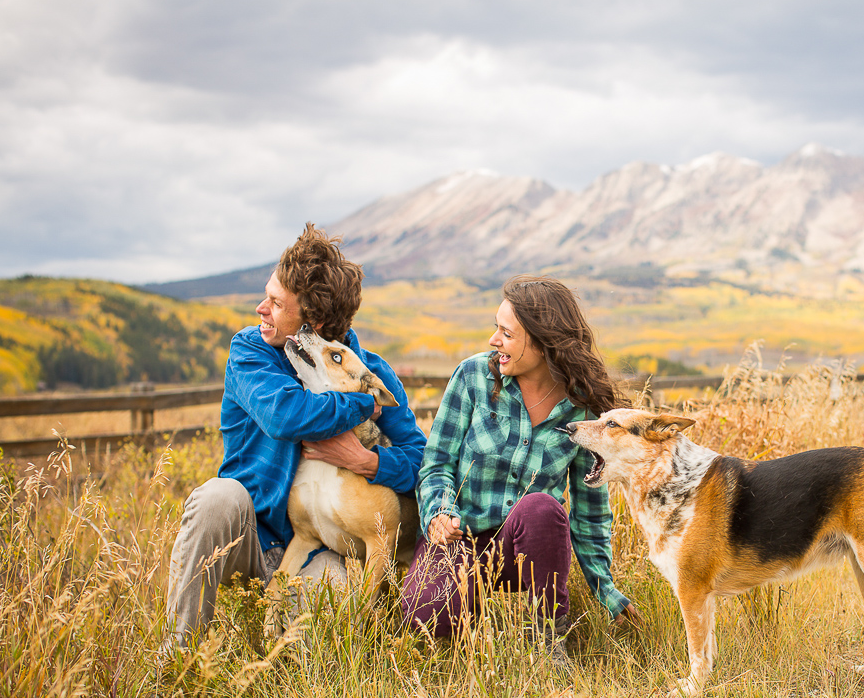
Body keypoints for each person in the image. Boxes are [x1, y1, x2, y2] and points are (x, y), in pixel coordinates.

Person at [163, 223, 426, 653]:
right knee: (217, 498)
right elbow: (284, 416)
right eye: (267, 295)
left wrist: (368, 463)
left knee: (328, 620)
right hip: (251, 534)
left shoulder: (369, 370)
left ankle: (281, 672)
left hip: (318, 544)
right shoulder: (252, 352)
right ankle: (176, 658)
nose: (260, 308)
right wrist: (362, 404)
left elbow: (421, 459)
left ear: (315, 322)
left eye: (276, 303)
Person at [402, 276, 640, 659]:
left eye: (506, 333)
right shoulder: (473, 377)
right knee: (428, 615)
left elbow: (590, 512)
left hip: (526, 548)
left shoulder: (582, 412)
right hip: (458, 538)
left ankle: (547, 637)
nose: (494, 340)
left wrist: (604, 587)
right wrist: (439, 512)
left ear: (543, 341)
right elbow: (437, 464)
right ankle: (469, 605)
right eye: (495, 328)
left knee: (543, 507)